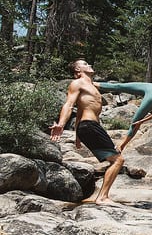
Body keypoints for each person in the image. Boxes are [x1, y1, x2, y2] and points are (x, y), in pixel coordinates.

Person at [50, 59, 125, 204]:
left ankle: (102, 196)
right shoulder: (77, 83)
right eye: (84, 64)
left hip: (90, 126)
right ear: (78, 71)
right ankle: (102, 197)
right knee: (118, 160)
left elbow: (80, 111)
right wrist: (61, 124)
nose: (89, 64)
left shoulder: (92, 86)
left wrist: (78, 135)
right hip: (89, 125)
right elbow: (69, 105)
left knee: (117, 160)